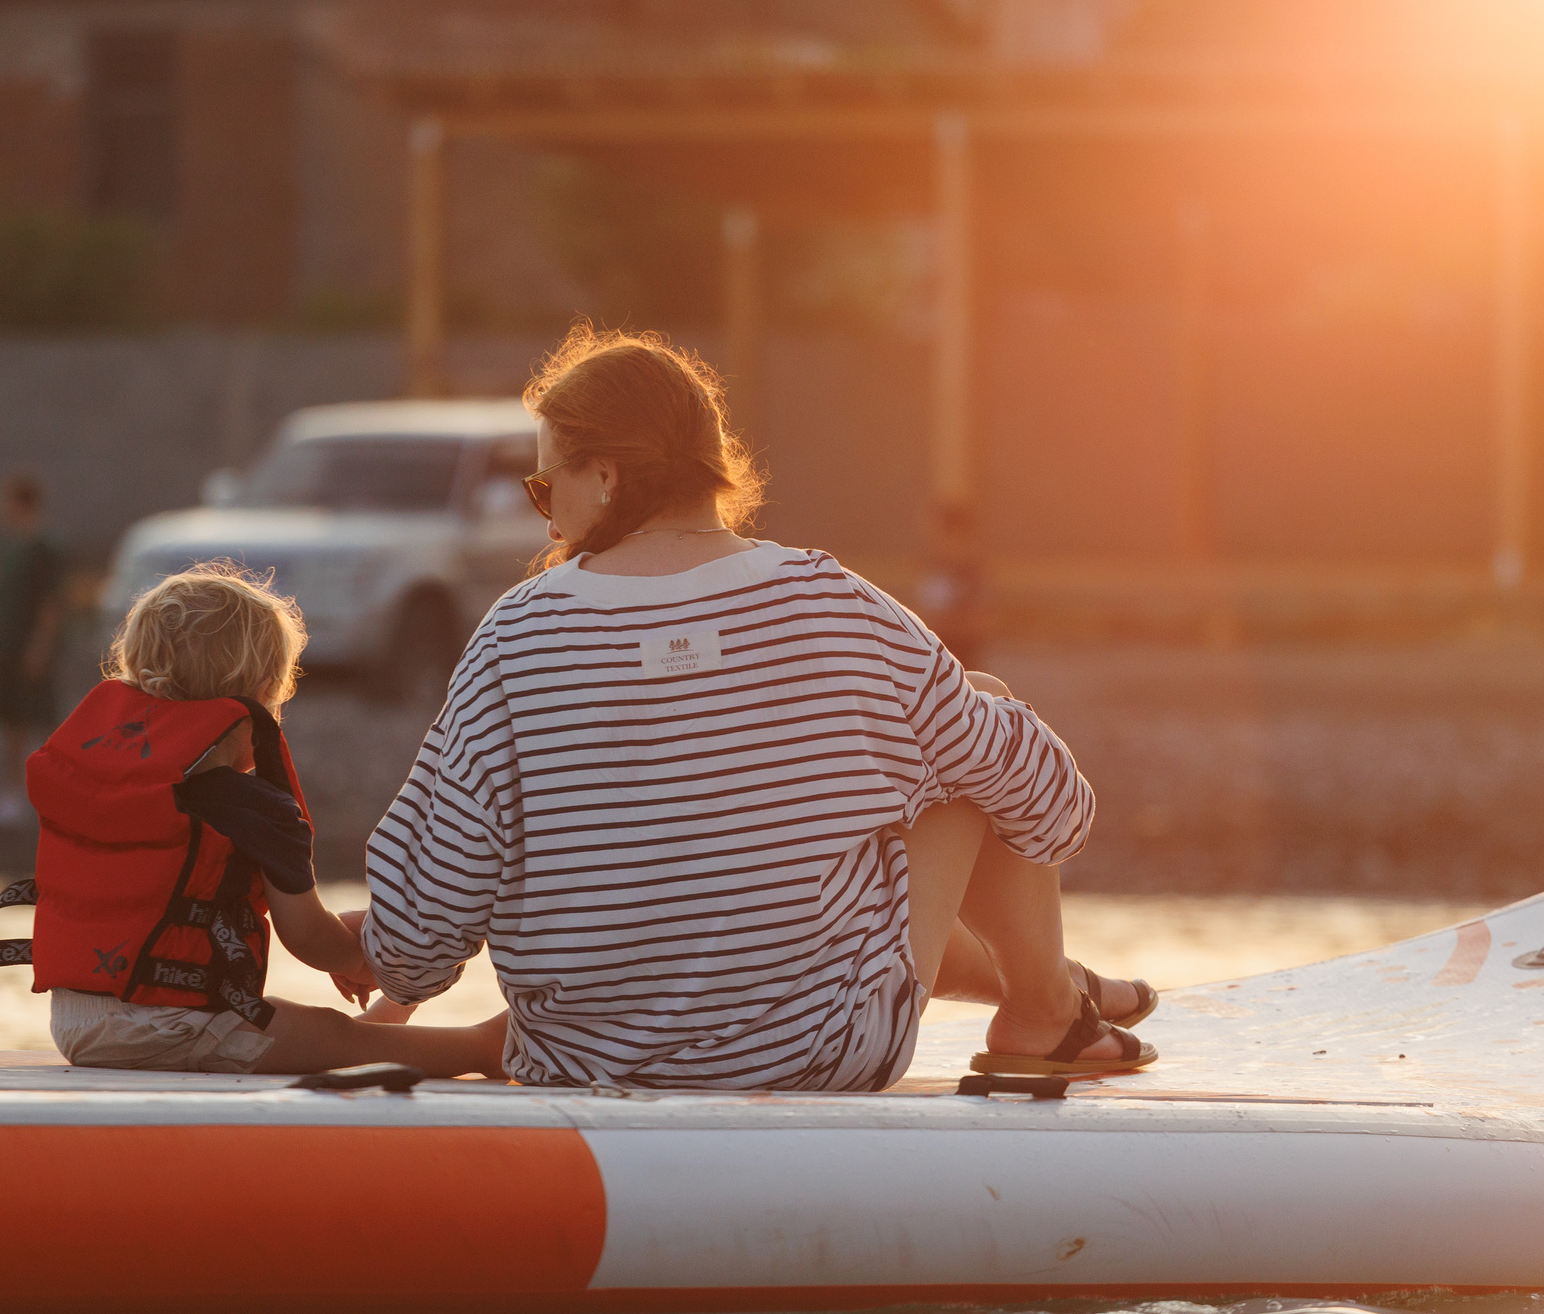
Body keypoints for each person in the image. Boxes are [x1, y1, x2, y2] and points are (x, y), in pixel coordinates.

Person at [354, 325, 1156, 1091]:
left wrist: (369, 950)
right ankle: (1047, 1006)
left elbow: (418, 937)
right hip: (818, 1054)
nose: (546, 514)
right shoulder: (830, 602)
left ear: (605, 475)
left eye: (542, 486)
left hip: (583, 1058)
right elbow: (1055, 808)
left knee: (909, 767)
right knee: (975, 716)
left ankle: (1054, 997)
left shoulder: (515, 635)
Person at [0, 562, 503, 1077]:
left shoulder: (109, 786)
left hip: (76, 1022)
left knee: (311, 1029)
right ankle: (483, 1047)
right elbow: (305, 935)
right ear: (262, 694)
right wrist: (360, 960)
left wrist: (360, 942)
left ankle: (396, 1011)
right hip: (170, 1025)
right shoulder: (257, 806)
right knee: (334, 1034)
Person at [0, 473, 66, 826]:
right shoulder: (7, 548)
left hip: (28, 649)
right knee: (9, 719)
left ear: (23, 503)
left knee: (36, 718)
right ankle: (11, 789)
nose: (1, 508)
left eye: (7, 501)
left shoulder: (44, 549)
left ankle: (49, 790)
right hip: (6, 647)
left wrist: (40, 648)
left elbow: (51, 604)